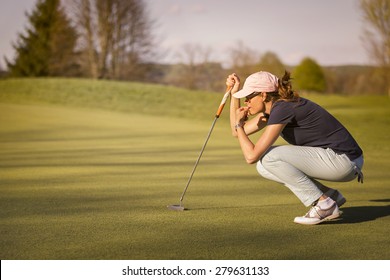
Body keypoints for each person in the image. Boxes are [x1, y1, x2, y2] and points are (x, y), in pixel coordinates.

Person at [226, 71, 364, 225]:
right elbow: (236, 131)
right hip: (339, 160)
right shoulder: (274, 109)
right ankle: (329, 195)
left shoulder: (283, 108)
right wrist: (233, 94)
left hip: (343, 161)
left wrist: (239, 124)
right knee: (263, 167)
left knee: (269, 157)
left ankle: (324, 205)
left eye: (249, 97)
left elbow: (251, 156)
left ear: (264, 95)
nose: (246, 101)